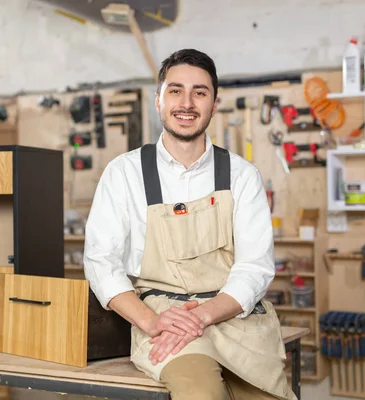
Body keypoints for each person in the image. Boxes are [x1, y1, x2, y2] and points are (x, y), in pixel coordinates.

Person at [83, 48, 296, 400]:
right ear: (158, 100)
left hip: (232, 317)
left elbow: (254, 266)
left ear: (214, 104)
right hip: (162, 320)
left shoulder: (242, 176)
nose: (187, 103)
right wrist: (152, 322)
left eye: (199, 92)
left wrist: (203, 315)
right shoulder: (124, 173)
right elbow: (100, 261)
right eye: (175, 90)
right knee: (202, 395)